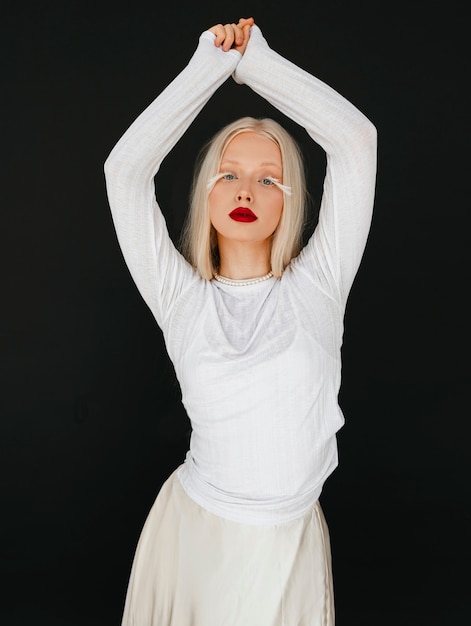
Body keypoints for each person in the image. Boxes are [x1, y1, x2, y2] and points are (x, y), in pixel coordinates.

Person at [104, 15, 377, 626]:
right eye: (228, 174)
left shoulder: (320, 282)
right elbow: (123, 174)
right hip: (199, 538)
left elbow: (356, 142)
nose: (245, 191)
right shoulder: (181, 297)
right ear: (206, 193)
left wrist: (256, 64)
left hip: (290, 542)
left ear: (291, 198)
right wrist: (209, 68)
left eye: (266, 178)